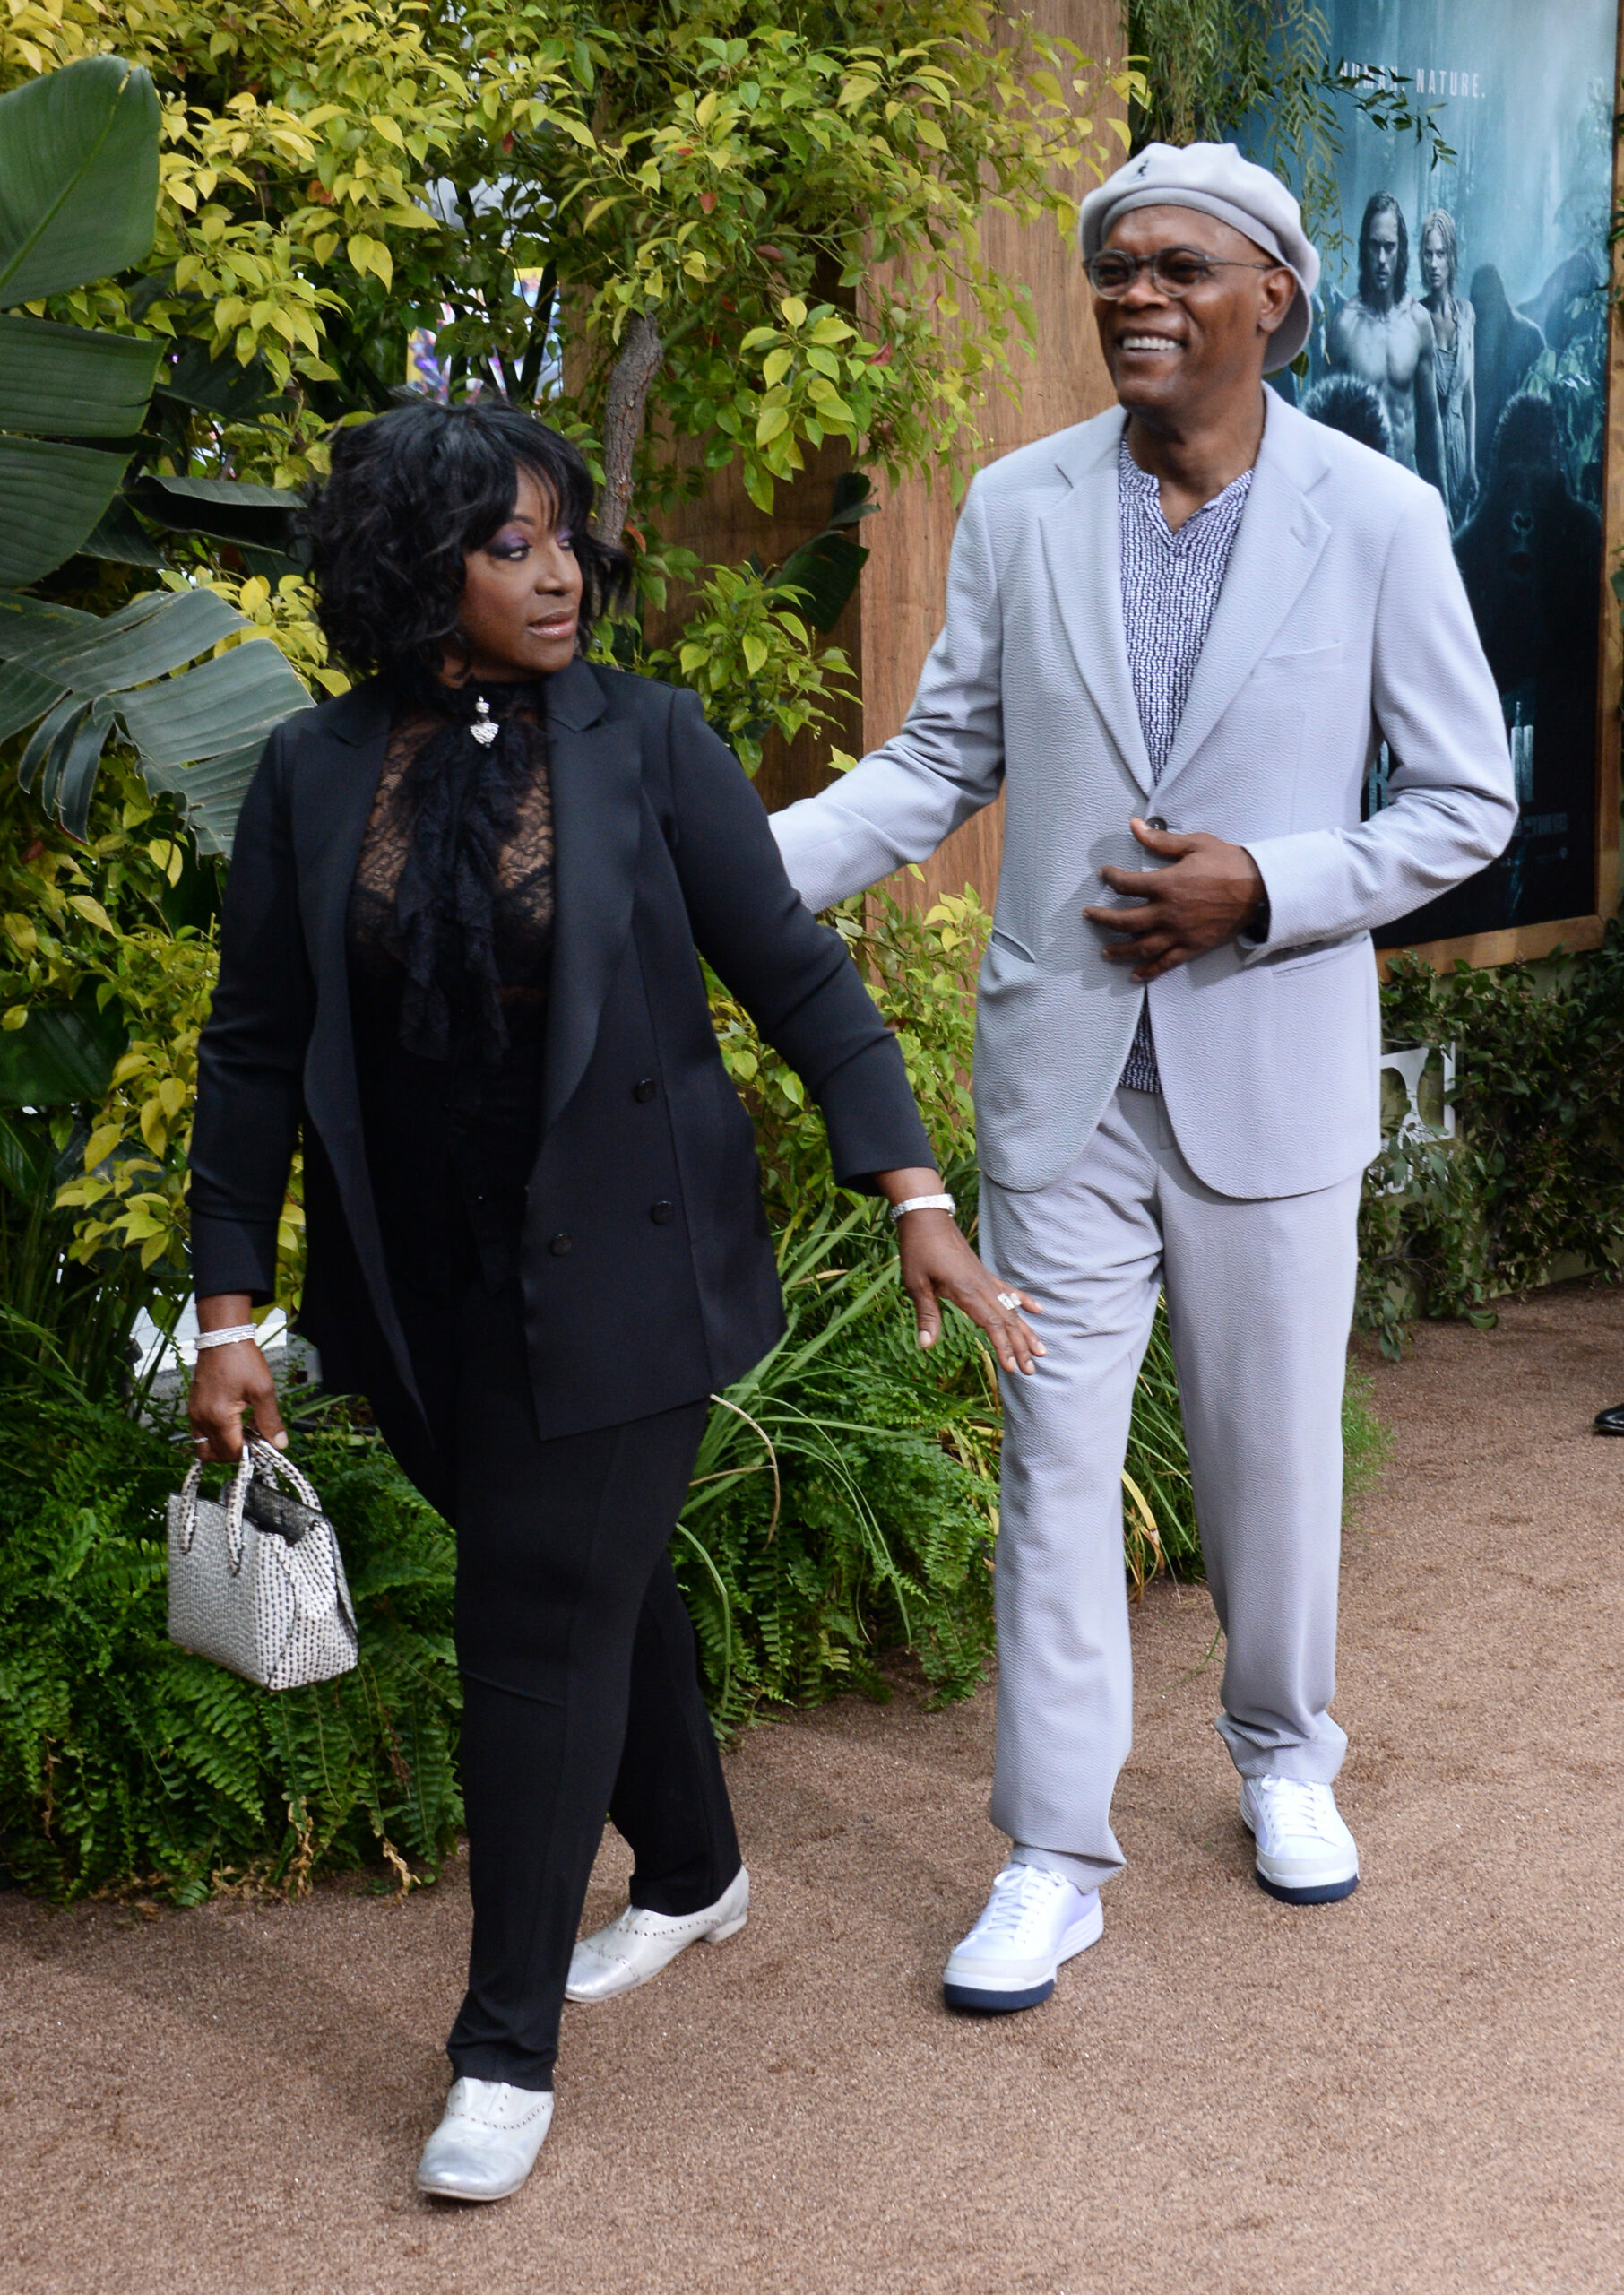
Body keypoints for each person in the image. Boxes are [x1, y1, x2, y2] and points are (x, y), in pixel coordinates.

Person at [184, 399, 1038, 2197]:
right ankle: (695, 1867)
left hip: (635, 1261)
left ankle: (501, 2046)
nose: (558, 568)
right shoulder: (314, 772)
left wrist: (916, 1191)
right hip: (418, 1292)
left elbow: (795, 974)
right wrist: (232, 1310)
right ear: (416, 569)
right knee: (598, 1574)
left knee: (538, 1608)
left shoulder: (648, 740)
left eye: (564, 532)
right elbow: (253, 1049)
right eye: (509, 543)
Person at [769, 140, 1515, 2014]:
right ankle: (1050, 1848)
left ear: (1276, 295)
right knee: (1052, 1461)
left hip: (1269, 1076)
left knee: (1270, 1464)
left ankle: (1282, 1753)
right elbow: (937, 766)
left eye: (1180, 265)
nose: (1135, 296)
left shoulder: (1379, 514)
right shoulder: (1019, 508)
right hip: (1064, 1080)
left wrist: (1267, 884)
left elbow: (1463, 802)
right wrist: (717, 867)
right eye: (1112, 267)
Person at [1326, 191, 1446, 495]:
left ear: (1401, 250)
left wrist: (1441, 499)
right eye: (1374, 246)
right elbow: (1323, 434)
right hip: (1359, 495)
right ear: (1364, 249)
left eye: (1389, 247)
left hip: (1407, 490)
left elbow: (1430, 424)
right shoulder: (1344, 327)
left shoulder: (1418, 322)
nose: (1381, 259)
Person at [1419, 208, 1476, 524]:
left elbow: (1470, 397)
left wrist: (1470, 464)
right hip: (1427, 454)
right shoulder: (1414, 316)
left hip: (1459, 450)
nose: (1433, 263)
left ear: (1451, 256)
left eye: (1440, 253)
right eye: (1428, 254)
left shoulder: (1466, 315)